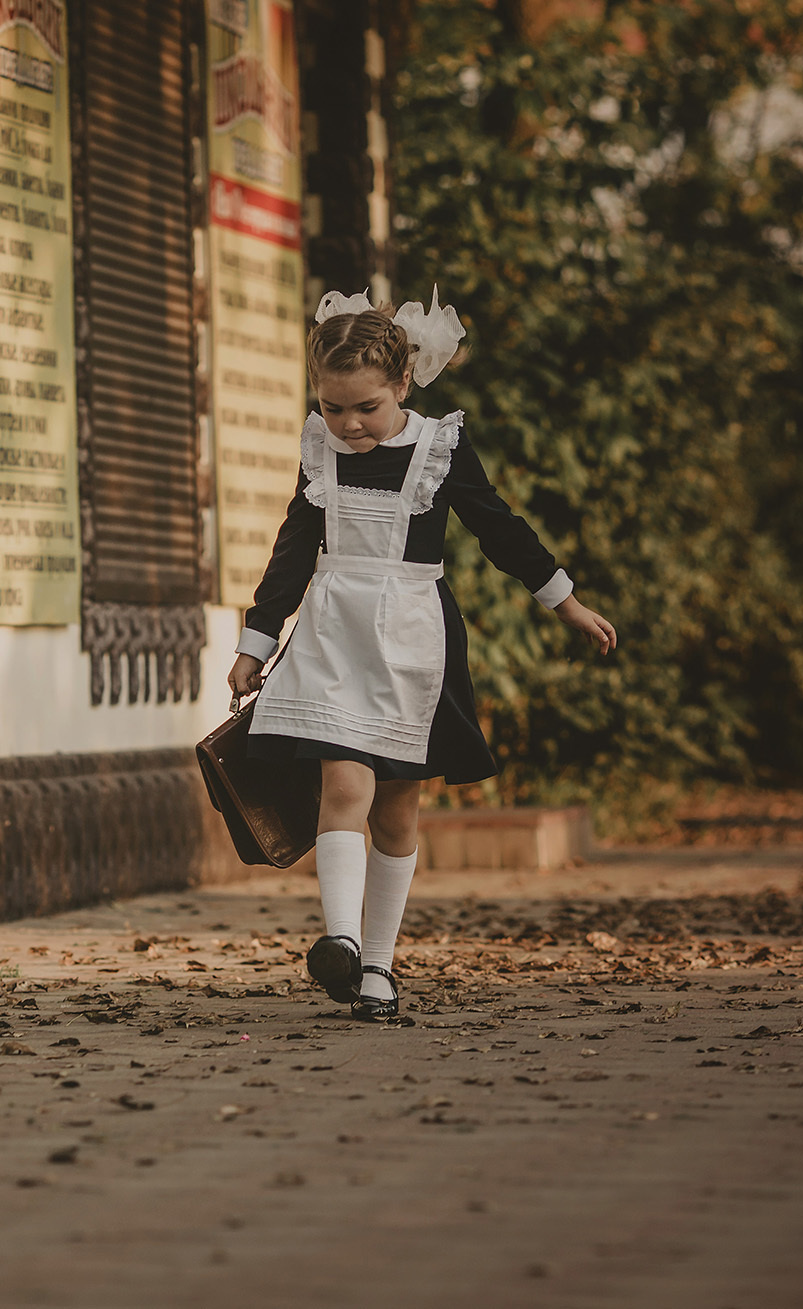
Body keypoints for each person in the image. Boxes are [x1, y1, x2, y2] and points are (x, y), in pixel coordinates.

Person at [226, 289, 616, 1020]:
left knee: (398, 811)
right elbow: (291, 550)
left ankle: (377, 967)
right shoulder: (322, 448)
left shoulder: (441, 447)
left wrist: (565, 601)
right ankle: (338, 939)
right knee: (343, 785)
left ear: (403, 384)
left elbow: (500, 529)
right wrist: (258, 638)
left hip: (412, 640)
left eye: (366, 407)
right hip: (336, 632)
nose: (349, 423)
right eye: (334, 407)